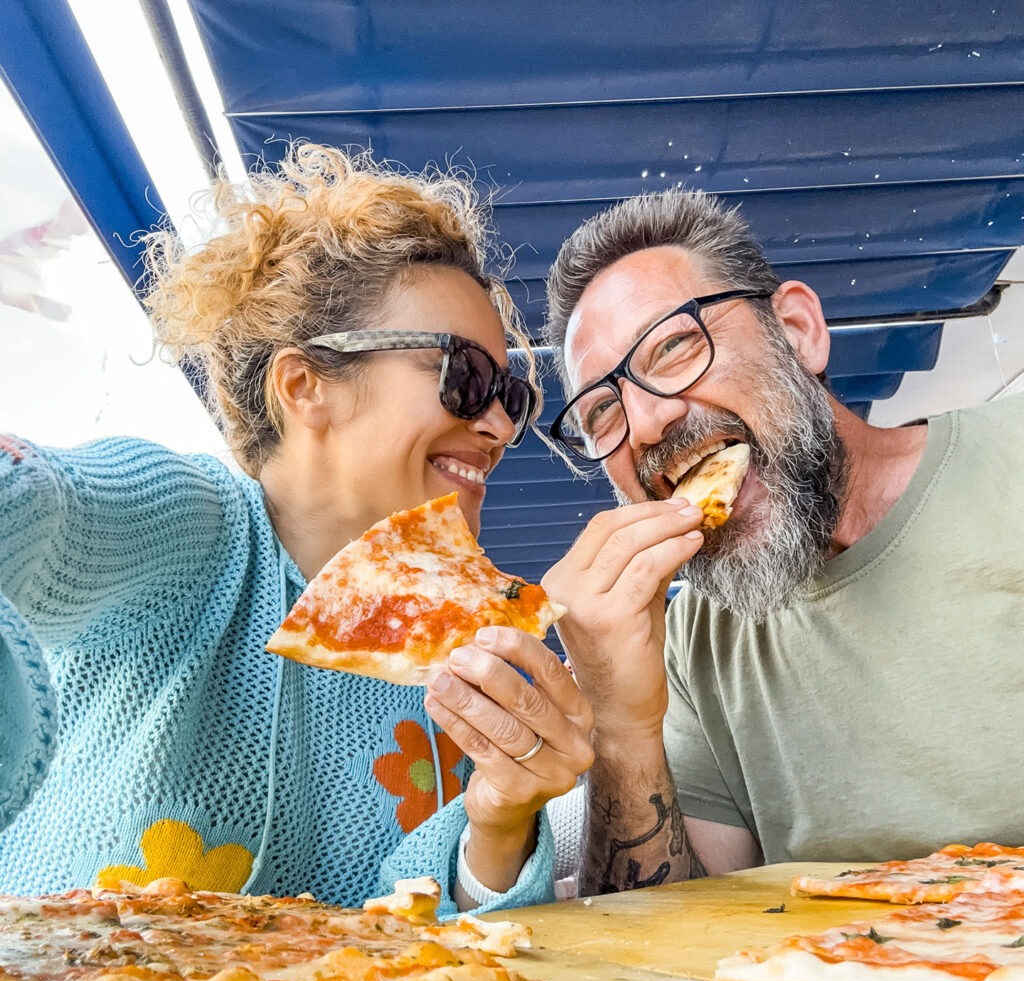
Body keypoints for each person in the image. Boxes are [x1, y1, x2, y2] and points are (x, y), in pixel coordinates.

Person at [0, 144, 593, 913]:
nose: (497, 426)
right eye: (464, 376)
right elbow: (35, 504)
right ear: (304, 384)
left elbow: (412, 914)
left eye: (509, 394)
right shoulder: (190, 522)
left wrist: (501, 818)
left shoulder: (456, 641)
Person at [539, 188, 1024, 895]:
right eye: (601, 411)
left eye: (673, 347)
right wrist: (621, 724)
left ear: (798, 330)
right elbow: (662, 934)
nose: (644, 424)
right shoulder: (687, 648)